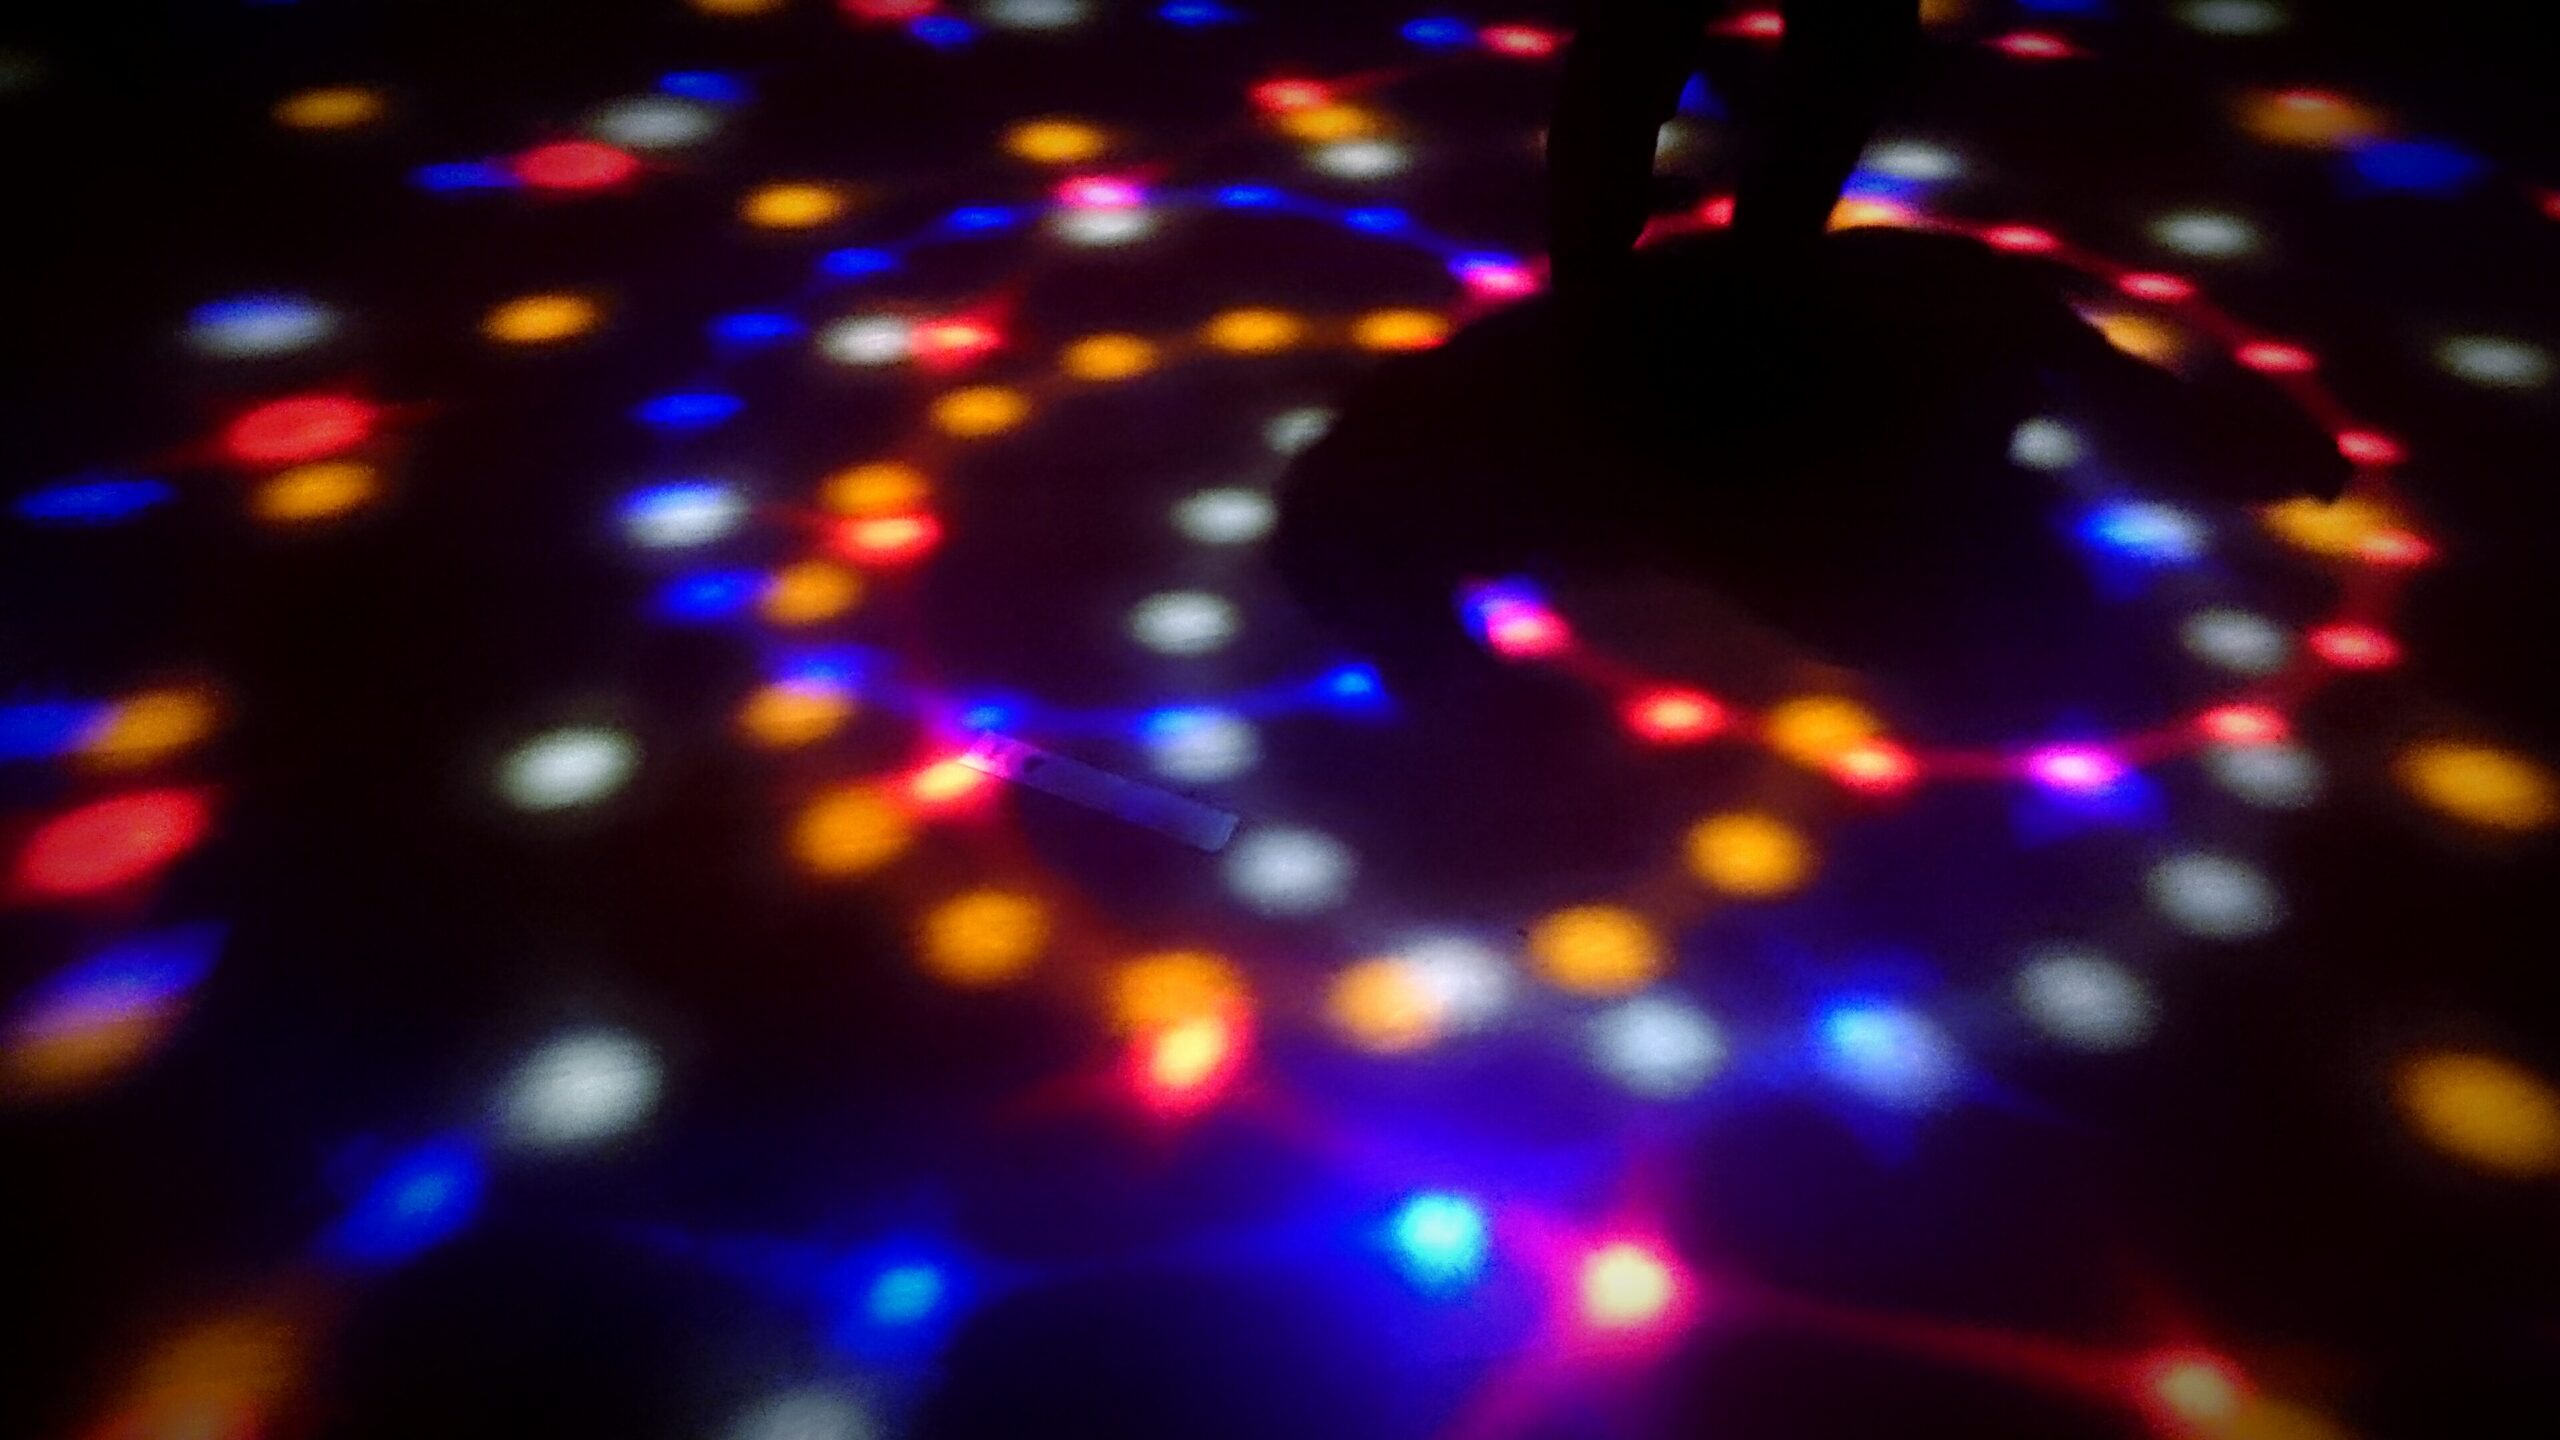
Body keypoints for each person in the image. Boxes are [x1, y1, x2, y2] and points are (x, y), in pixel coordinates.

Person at [1272, 0, 2348, 735]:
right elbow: (1336, 521)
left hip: (1673, 357)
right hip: (1655, 367)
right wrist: (1449, 684)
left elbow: (1336, 521)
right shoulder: (1733, 474)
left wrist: (1449, 682)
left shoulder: (1943, 336)